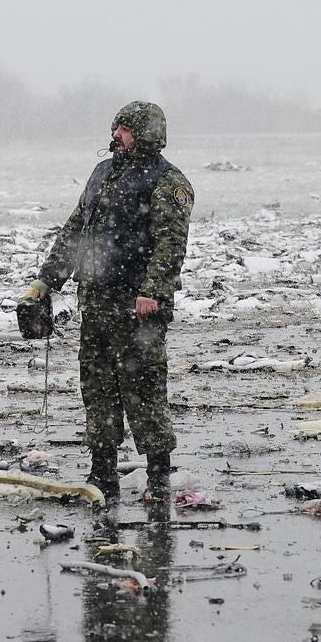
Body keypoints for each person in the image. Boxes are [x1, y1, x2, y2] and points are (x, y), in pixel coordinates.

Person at [22, 100, 193, 503]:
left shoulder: (167, 182)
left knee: (145, 389)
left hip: (138, 307)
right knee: (97, 389)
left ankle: (158, 476)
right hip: (97, 302)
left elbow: (171, 244)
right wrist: (47, 280)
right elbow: (75, 230)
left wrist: (152, 291)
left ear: (145, 133)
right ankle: (102, 473)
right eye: (115, 126)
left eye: (125, 128)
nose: (116, 134)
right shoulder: (103, 173)